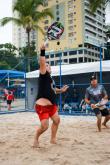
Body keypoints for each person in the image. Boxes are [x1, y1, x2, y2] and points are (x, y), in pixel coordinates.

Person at [33, 44, 69, 147]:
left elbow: (53, 90)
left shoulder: (51, 79)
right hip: (42, 106)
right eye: (46, 65)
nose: (47, 66)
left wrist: (61, 90)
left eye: (49, 65)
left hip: (51, 106)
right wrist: (42, 51)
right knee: (44, 127)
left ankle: (53, 139)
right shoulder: (43, 75)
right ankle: (36, 138)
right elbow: (42, 63)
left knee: (57, 120)